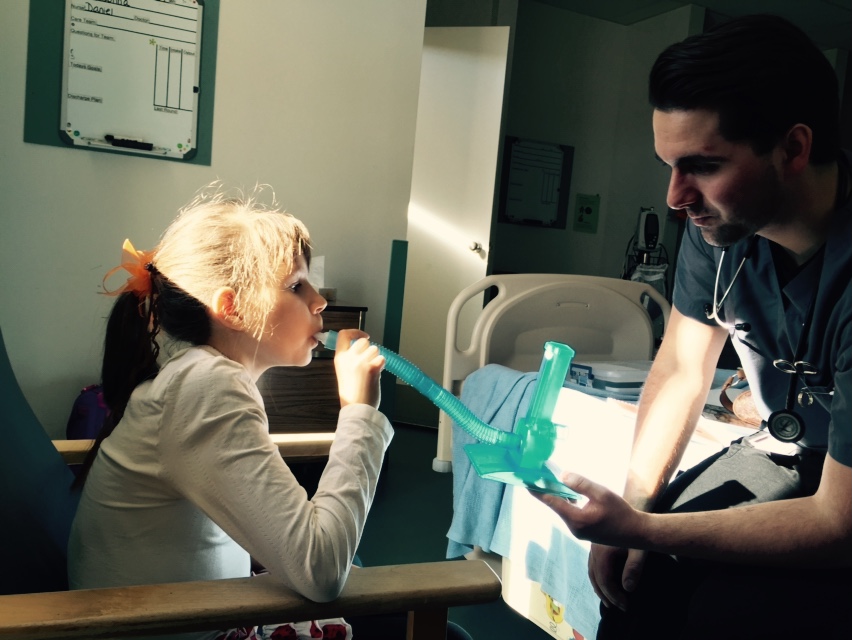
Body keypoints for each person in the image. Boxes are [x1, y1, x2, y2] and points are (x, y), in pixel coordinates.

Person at [536, 14, 852, 639]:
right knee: (640, 582)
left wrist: (644, 528)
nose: (675, 197)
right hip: (792, 450)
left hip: (841, 493)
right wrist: (635, 507)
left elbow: (838, 523)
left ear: (793, 149)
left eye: (703, 165)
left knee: (731, 613)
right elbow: (682, 368)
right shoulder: (723, 230)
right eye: (669, 165)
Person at [67, 187, 471, 640]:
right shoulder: (207, 387)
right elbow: (321, 570)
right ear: (232, 309)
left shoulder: (198, 376)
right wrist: (359, 413)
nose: (319, 301)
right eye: (296, 286)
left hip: (188, 612)